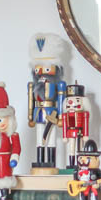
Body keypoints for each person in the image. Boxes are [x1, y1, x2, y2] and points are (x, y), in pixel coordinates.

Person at [27, 33, 67, 169]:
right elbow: (31, 100)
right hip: (39, 111)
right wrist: (30, 117)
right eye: (39, 70)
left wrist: (61, 116)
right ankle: (40, 160)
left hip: (52, 113)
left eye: (48, 69)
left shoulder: (59, 85)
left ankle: (51, 161)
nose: (43, 73)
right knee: (40, 137)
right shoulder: (33, 85)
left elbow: (62, 100)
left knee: (51, 139)